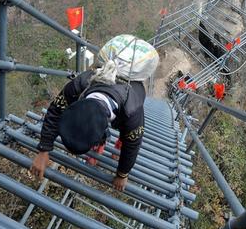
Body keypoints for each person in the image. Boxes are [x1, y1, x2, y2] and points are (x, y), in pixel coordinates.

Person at [30, 35, 159, 192]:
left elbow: (132, 145)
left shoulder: (132, 113)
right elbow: (56, 110)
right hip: (111, 94)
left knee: (126, 138)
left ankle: (116, 143)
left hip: (125, 99)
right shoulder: (79, 86)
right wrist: (44, 149)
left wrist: (122, 174)